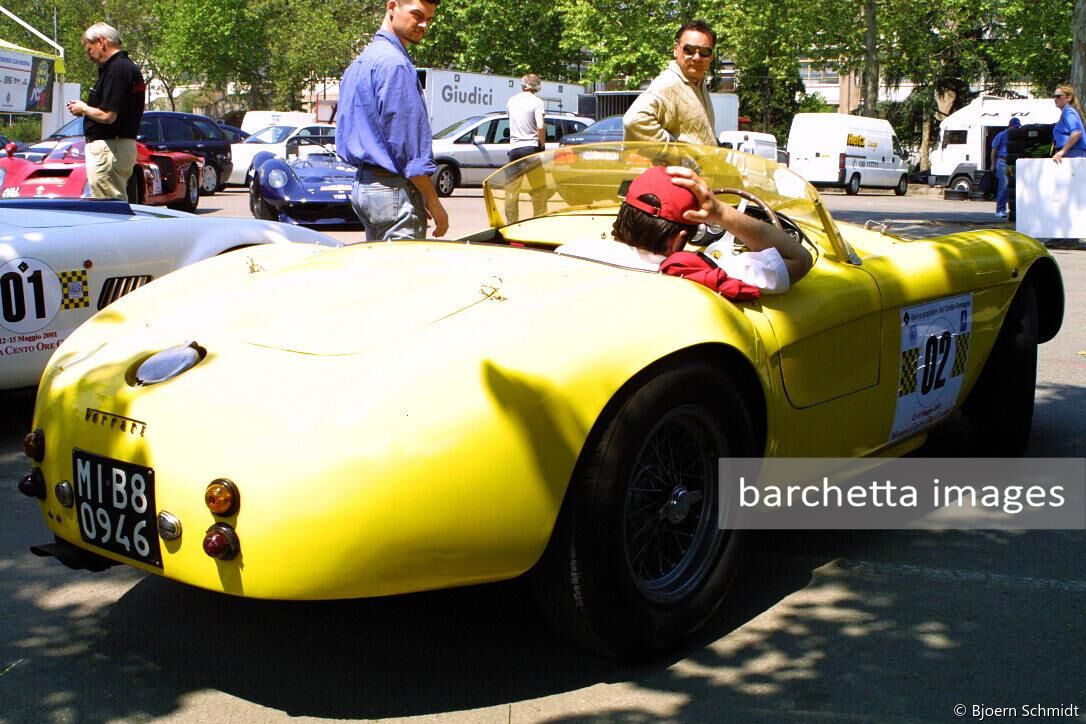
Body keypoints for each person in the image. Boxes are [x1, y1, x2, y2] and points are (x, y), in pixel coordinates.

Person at [556, 165, 812, 299]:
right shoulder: (700, 274)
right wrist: (721, 213)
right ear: (679, 239)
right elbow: (799, 260)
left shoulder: (570, 251)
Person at [336, 0, 448, 240]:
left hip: (364, 186)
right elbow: (409, 150)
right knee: (403, 275)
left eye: (429, 19)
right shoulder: (396, 64)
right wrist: (434, 202)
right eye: (417, 15)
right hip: (392, 188)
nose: (423, 24)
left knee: (381, 273)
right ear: (392, 7)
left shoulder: (360, 62)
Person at [66, 23, 145, 200]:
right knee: (115, 204)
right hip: (120, 147)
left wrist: (83, 108)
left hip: (109, 149)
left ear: (101, 42)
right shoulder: (128, 68)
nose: (89, 56)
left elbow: (108, 116)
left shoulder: (116, 69)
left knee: (109, 211)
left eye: (89, 49)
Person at [623, 21, 718, 146]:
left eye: (705, 52)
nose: (697, 57)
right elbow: (634, 121)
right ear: (675, 50)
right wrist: (672, 149)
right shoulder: (668, 83)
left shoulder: (697, 82)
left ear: (711, 56)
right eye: (689, 50)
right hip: (681, 166)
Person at [504, 73, 548, 221]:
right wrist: (541, 144)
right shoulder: (537, 102)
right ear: (537, 86)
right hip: (531, 148)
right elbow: (540, 126)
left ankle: (511, 222)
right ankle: (539, 218)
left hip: (515, 149)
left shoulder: (511, 101)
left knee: (512, 190)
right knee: (539, 188)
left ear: (523, 85)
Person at [990, 117, 1020, 218]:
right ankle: (1000, 210)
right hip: (1002, 161)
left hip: (1012, 162)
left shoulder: (1017, 135)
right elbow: (994, 150)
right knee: (1003, 186)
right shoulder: (1002, 135)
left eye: (1017, 127)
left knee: (1013, 187)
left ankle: (1013, 210)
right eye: (1014, 127)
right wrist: (993, 164)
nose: (1015, 129)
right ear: (1009, 125)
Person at [1051, 84, 1086, 164]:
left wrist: (1062, 151)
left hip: (1074, 156)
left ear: (1069, 98)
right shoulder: (1067, 112)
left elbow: (1077, 132)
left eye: (1058, 96)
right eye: (1054, 96)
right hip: (1073, 156)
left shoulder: (1068, 112)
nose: (1055, 99)